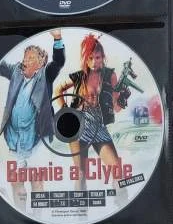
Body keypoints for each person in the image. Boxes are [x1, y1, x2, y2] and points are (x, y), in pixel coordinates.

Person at [53, 34, 131, 201]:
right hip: (79, 127)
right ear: (85, 58)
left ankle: (124, 207)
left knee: (118, 171)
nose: (94, 61)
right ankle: (80, 213)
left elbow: (116, 108)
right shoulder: (79, 76)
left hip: (99, 126)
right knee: (81, 175)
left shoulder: (110, 76)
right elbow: (58, 89)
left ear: (103, 57)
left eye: (97, 57)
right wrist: (66, 111)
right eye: (90, 58)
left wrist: (123, 98)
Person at [0, 29, 66, 212]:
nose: (25, 61)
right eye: (25, 57)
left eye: (30, 58)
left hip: (37, 139)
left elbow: (59, 62)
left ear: (40, 62)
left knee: (36, 180)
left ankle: (38, 218)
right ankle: (22, 216)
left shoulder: (46, 74)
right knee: (16, 181)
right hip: (15, 139)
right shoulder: (16, 72)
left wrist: (57, 39)